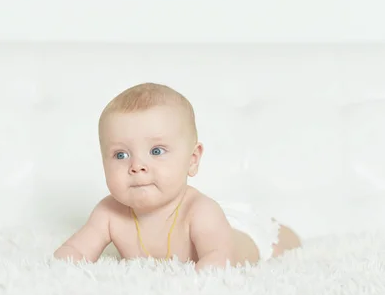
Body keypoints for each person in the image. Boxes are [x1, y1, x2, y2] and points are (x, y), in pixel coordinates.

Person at [53, 82, 301, 270]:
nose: (137, 166)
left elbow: (219, 261)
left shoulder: (200, 211)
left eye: (156, 151)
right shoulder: (108, 213)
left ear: (192, 160)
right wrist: (64, 262)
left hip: (241, 232)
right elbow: (75, 251)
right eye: (120, 155)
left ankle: (286, 232)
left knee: (280, 241)